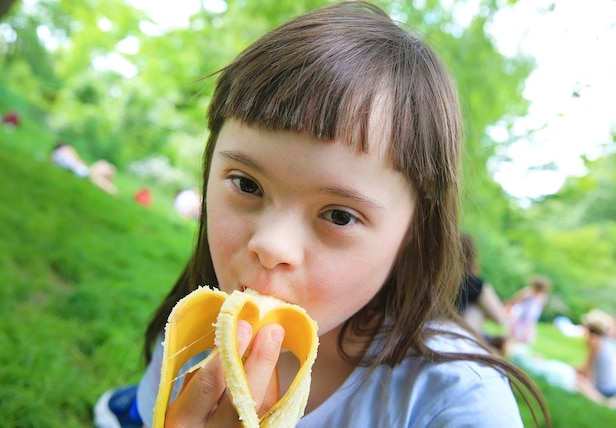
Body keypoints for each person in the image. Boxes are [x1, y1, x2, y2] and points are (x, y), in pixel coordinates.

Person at [94, 2, 548, 427]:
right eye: (247, 184)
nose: (271, 246)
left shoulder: (456, 404)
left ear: (412, 234)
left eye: (339, 215)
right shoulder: (192, 336)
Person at [455, 233, 508, 337]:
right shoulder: (471, 282)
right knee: (476, 309)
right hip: (457, 337)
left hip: (428, 332)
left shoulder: (429, 278)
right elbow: (500, 319)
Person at [575, 309, 616, 408]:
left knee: (578, 382)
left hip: (604, 389)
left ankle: (605, 402)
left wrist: (573, 369)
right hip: (615, 386)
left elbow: (586, 372)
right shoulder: (609, 340)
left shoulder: (594, 343)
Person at [507, 275, 551, 344]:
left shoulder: (543, 297)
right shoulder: (527, 292)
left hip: (530, 321)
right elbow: (515, 300)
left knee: (527, 338)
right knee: (514, 335)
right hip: (520, 317)